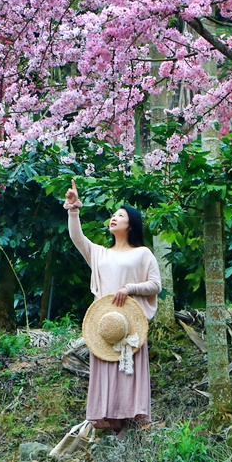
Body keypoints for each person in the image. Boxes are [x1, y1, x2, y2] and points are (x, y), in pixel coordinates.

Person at [64, 179, 162, 439]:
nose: (114, 218)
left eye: (120, 215)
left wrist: (129, 288)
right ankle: (111, 423)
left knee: (128, 370)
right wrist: (73, 208)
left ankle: (131, 421)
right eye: (113, 215)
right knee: (107, 370)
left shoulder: (142, 253)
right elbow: (77, 238)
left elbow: (155, 285)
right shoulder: (100, 254)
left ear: (131, 224)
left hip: (129, 323)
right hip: (106, 326)